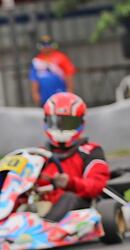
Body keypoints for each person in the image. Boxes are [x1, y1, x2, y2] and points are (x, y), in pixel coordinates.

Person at [35, 92, 109, 221]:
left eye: (68, 123)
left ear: (80, 122)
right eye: (56, 122)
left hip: (78, 209)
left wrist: (70, 183)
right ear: (47, 121)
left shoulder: (91, 151)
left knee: (68, 197)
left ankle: (46, 227)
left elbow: (96, 186)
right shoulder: (39, 154)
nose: (61, 128)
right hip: (43, 206)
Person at [29, 35, 76, 107]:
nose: (46, 47)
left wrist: (70, 90)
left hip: (61, 95)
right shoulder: (36, 61)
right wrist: (35, 94)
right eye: (43, 44)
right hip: (44, 97)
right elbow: (34, 79)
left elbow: (69, 74)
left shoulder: (61, 57)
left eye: (48, 44)